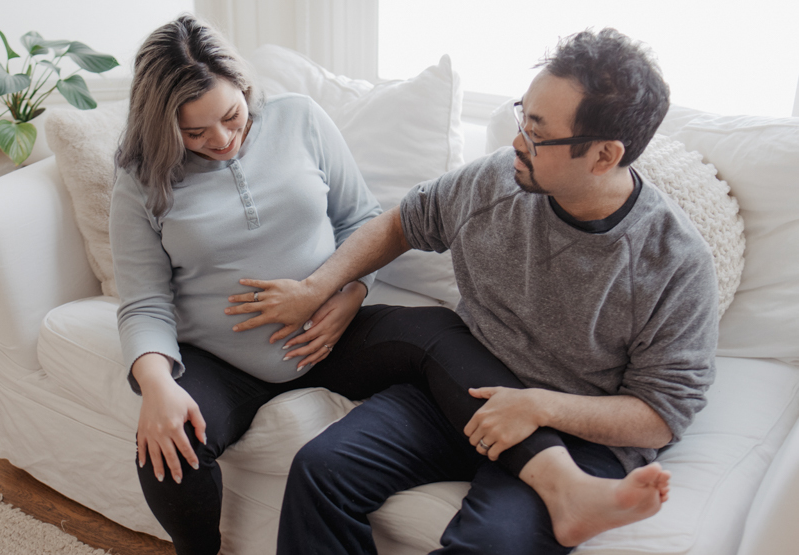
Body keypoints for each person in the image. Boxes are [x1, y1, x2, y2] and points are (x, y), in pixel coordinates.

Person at [112, 14, 593, 555]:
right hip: (222, 361)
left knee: (438, 331)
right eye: (194, 132)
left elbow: (361, 221)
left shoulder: (299, 119)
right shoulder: (140, 179)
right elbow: (143, 301)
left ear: (245, 89)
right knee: (167, 446)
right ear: (161, 126)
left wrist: (345, 297)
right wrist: (157, 386)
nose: (221, 140)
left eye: (231, 116)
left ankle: (558, 477)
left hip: (330, 332)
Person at [227, 29, 719, 554]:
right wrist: (318, 285)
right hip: (461, 391)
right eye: (522, 116)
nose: (516, 142)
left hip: (578, 434)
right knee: (321, 470)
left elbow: (660, 416)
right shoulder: (497, 184)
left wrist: (539, 408)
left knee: (490, 544)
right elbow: (401, 223)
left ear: (603, 156)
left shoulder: (674, 263)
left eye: (537, 131)